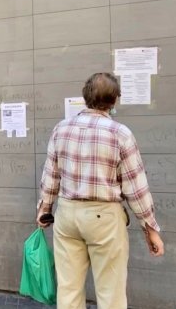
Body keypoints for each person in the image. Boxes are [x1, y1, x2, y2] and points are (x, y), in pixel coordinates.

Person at [36, 72, 164, 309]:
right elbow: (136, 187)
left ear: (85, 97)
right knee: (111, 292)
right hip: (104, 218)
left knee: (69, 291)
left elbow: (51, 175)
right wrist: (150, 227)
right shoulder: (120, 133)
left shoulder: (61, 129)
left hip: (67, 215)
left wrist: (44, 209)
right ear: (114, 100)